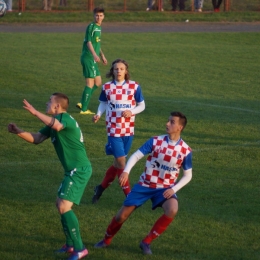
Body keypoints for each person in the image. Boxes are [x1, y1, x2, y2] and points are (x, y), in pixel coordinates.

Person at [94, 111, 192, 255]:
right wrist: (126, 171)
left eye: (172, 122)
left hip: (164, 188)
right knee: (121, 216)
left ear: (180, 128)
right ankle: (106, 240)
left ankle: (146, 241)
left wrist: (174, 189)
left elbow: (188, 175)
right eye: (168, 120)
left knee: (172, 209)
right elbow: (135, 156)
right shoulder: (155, 141)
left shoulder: (185, 150)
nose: (167, 123)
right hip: (145, 184)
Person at [8, 93, 92, 260]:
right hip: (72, 170)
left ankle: (80, 248)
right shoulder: (55, 122)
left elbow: (58, 126)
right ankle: (69, 244)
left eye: (49, 101)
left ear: (57, 107)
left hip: (79, 169)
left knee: (63, 206)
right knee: (59, 204)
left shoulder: (64, 118)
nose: (47, 103)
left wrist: (35, 112)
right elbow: (37, 139)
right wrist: (18, 131)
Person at [91, 58, 145, 204]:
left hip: (128, 130)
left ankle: (100, 189)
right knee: (122, 163)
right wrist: (98, 114)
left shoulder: (134, 86)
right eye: (116, 69)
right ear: (112, 71)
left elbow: (142, 105)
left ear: (126, 71)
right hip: (113, 128)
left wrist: (131, 112)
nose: (119, 71)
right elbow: (103, 103)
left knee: (117, 164)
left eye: (121, 69)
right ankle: (129, 197)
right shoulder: (107, 87)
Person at [76, 7, 108, 115]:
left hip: (92, 58)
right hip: (88, 58)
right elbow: (88, 42)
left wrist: (102, 55)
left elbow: (96, 44)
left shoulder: (99, 28)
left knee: (98, 82)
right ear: (94, 16)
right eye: (97, 15)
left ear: (103, 16)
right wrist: (94, 55)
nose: (98, 17)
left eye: (100, 15)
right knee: (90, 83)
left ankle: (82, 102)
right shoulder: (91, 27)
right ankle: (84, 109)